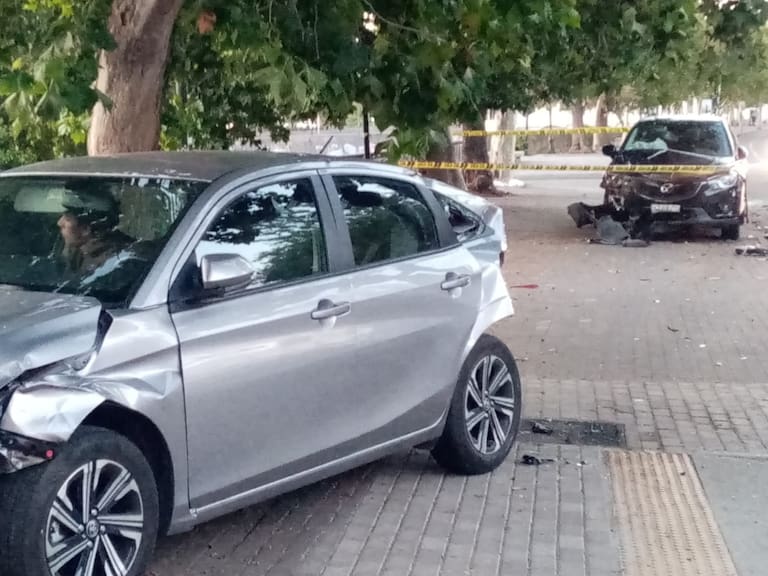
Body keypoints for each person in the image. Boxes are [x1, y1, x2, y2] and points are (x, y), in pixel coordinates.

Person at [56, 182, 134, 274]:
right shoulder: (77, 251)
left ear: (85, 229)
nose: (59, 223)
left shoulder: (115, 262)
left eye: (68, 219)